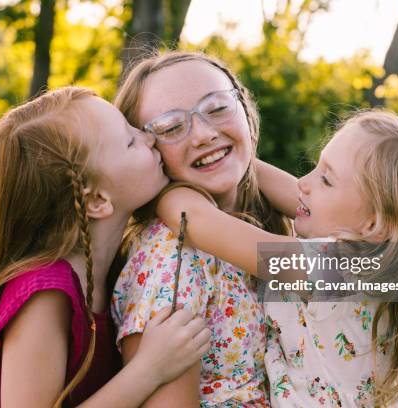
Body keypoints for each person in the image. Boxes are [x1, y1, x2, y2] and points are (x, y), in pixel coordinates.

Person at [157, 110, 398, 407]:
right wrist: (225, 157)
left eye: (326, 179)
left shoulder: (334, 269)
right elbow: (297, 195)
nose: (303, 182)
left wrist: (166, 178)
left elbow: (193, 220)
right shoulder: (379, 267)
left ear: (373, 225)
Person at [0, 87, 211, 408]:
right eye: (130, 141)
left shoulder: (120, 265)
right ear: (97, 200)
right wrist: (148, 370)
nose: (149, 137)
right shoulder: (45, 295)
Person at [110, 51, 292, 407]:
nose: (205, 134)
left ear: (244, 107)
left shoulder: (253, 211)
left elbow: (317, 209)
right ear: (149, 151)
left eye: (218, 107)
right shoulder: (173, 257)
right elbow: (310, 268)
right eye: (171, 127)